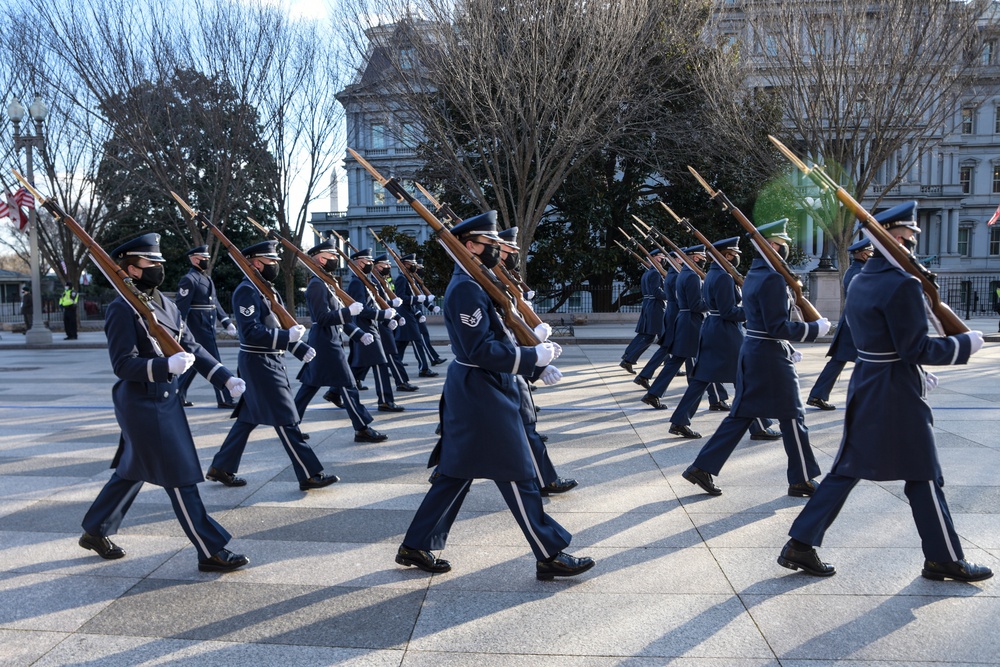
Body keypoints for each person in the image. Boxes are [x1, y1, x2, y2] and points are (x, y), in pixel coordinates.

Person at [779, 202, 991, 582]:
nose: (912, 248)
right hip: (896, 390)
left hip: (868, 383)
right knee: (923, 473)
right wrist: (964, 346)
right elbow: (916, 349)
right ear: (894, 239)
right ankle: (944, 559)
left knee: (848, 468)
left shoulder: (861, 279)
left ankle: (801, 543)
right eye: (907, 241)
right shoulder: (903, 284)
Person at [396, 211, 594, 580]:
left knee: (455, 473)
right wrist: (531, 357)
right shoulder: (467, 288)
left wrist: (534, 367)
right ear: (469, 245)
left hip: (484, 387)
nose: (497, 250)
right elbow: (480, 350)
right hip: (480, 390)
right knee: (518, 472)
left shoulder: (478, 280)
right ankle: (549, 553)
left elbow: (501, 335)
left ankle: (415, 544)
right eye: (490, 245)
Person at [80, 233, 248, 572]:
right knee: (179, 475)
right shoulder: (121, 308)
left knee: (133, 469)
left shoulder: (166, 304)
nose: (159, 267)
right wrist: (163, 367)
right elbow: (123, 364)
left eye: (159, 262)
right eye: (151, 262)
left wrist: (223, 376)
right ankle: (210, 549)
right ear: (131, 269)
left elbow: (193, 347)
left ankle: (95, 530)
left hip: (164, 402)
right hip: (142, 404)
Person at [682, 219, 831, 498]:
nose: (787, 249)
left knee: (742, 415)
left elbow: (763, 322)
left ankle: (702, 468)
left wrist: (786, 344)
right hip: (771, 358)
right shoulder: (773, 278)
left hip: (756, 351)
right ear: (772, 246)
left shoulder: (755, 274)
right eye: (783, 245)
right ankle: (801, 479)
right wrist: (813, 330)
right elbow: (776, 326)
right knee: (793, 416)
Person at [206, 240, 339, 490]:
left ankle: (221, 467)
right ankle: (310, 473)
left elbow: (275, 326)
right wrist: (286, 338)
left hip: (267, 361)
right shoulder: (247, 290)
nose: (276, 265)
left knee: (247, 418)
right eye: (271, 261)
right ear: (256, 263)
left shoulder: (266, 289)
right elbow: (251, 331)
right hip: (259, 364)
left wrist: (298, 347)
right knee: (287, 420)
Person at [667, 238, 780, 441]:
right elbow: (728, 311)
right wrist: (752, 310)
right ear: (727, 255)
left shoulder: (713, 274)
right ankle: (760, 426)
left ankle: (680, 420)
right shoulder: (724, 278)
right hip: (726, 334)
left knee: (701, 379)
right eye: (734, 255)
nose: (736, 259)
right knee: (745, 379)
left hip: (712, 329)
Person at [293, 239, 387, 443]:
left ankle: (289, 424)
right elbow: (323, 318)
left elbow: (337, 317)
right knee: (348, 384)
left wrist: (357, 333)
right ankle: (362, 428)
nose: (336, 260)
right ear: (320, 259)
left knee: (310, 385)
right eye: (332, 256)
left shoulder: (325, 282)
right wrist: (347, 312)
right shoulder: (317, 285)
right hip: (325, 343)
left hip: (327, 340)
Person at [640, 246, 722, 410]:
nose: (704, 259)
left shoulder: (685, 274)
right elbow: (695, 305)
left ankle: (653, 393)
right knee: (702, 361)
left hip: (685, 320)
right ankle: (715, 399)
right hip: (691, 322)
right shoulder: (691, 276)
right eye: (702, 256)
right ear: (696, 258)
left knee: (677, 360)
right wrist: (713, 303)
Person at [806, 238, 874, 410]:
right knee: (870, 362)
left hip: (850, 325)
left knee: (840, 361)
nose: (872, 255)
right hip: (857, 326)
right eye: (870, 253)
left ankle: (817, 395)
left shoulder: (855, 270)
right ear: (864, 254)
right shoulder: (860, 273)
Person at [175, 245, 239, 409]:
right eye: (204, 259)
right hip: (197, 329)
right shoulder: (189, 280)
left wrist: (226, 321)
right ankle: (225, 398)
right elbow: (181, 308)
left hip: (207, 327)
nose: (206, 262)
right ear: (195, 260)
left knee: (196, 364)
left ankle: (178, 394)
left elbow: (214, 303)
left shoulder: (206, 279)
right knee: (214, 361)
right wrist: (178, 331)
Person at [346, 248, 404, 412]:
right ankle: (385, 400)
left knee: (361, 364)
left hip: (372, 325)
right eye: (368, 262)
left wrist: (387, 319)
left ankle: (335, 392)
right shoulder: (357, 283)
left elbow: (375, 304)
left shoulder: (365, 280)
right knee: (380, 363)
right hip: (364, 326)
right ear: (359, 263)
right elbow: (361, 309)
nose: (371, 264)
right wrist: (382, 314)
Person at [620, 250, 666, 374]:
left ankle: (627, 355)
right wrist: (671, 296)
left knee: (645, 334)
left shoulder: (647, 272)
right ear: (655, 258)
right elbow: (657, 292)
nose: (663, 259)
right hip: (655, 306)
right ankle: (629, 359)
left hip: (648, 304)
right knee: (652, 336)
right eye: (661, 257)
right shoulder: (655, 273)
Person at [394, 253, 435, 378]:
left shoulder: (409, 277)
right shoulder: (402, 278)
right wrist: (416, 299)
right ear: (405, 264)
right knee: (417, 340)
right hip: (405, 313)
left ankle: (395, 365)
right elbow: (401, 297)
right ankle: (423, 368)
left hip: (410, 312)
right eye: (412, 264)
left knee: (401, 343)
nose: (414, 265)